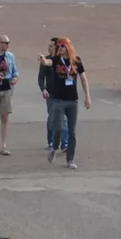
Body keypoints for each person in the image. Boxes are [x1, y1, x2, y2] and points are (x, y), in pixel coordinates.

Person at [39, 35, 89, 167]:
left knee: (72, 131)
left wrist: (87, 97)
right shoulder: (56, 60)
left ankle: (70, 159)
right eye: (58, 46)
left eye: (62, 46)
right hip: (58, 100)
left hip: (73, 100)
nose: (60, 48)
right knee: (59, 128)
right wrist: (43, 60)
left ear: (68, 47)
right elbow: (48, 63)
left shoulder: (76, 61)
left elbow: (83, 78)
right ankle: (54, 148)